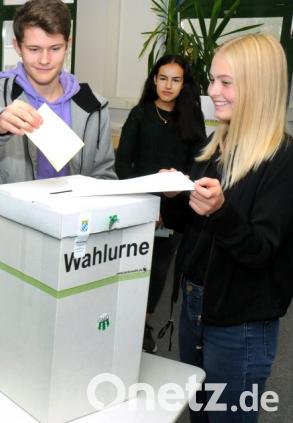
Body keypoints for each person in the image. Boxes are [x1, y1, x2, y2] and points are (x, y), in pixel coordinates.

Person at [161, 33, 293, 422]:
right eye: (212, 81)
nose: (212, 91)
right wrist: (175, 198)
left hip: (241, 324)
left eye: (225, 82)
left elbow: (261, 249)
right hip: (196, 306)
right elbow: (192, 226)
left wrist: (220, 212)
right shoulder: (216, 145)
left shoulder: (283, 159)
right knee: (199, 414)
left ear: (257, 87)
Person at [0, 0, 116, 276]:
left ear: (68, 43)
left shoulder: (93, 105)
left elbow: (104, 174)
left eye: (55, 48)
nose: (44, 60)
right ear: (17, 47)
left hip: (70, 242)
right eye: (34, 49)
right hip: (9, 240)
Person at [115, 54, 206, 353]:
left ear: (184, 84)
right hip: (140, 207)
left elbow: (199, 165)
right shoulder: (140, 114)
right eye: (163, 78)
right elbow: (123, 164)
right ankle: (123, 322)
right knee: (130, 268)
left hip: (176, 209)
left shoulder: (192, 117)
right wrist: (146, 201)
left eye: (176, 79)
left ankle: (143, 325)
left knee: (158, 271)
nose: (168, 85)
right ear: (154, 80)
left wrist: (176, 191)